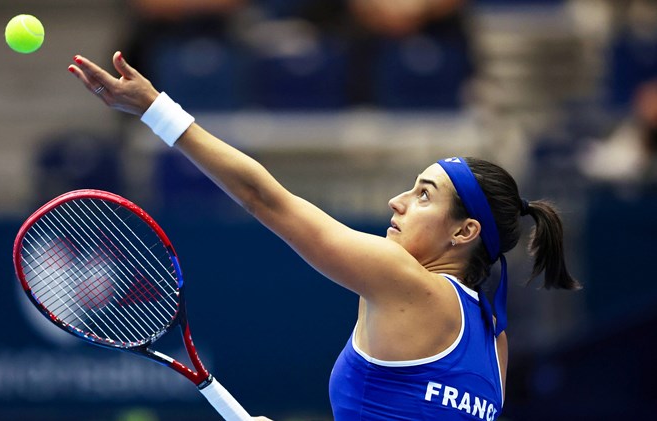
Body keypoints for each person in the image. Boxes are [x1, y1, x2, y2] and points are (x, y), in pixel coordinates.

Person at [68, 51, 581, 420]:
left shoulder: (404, 278)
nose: (397, 202)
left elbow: (265, 198)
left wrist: (157, 110)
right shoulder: (496, 341)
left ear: (465, 231)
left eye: (424, 196)